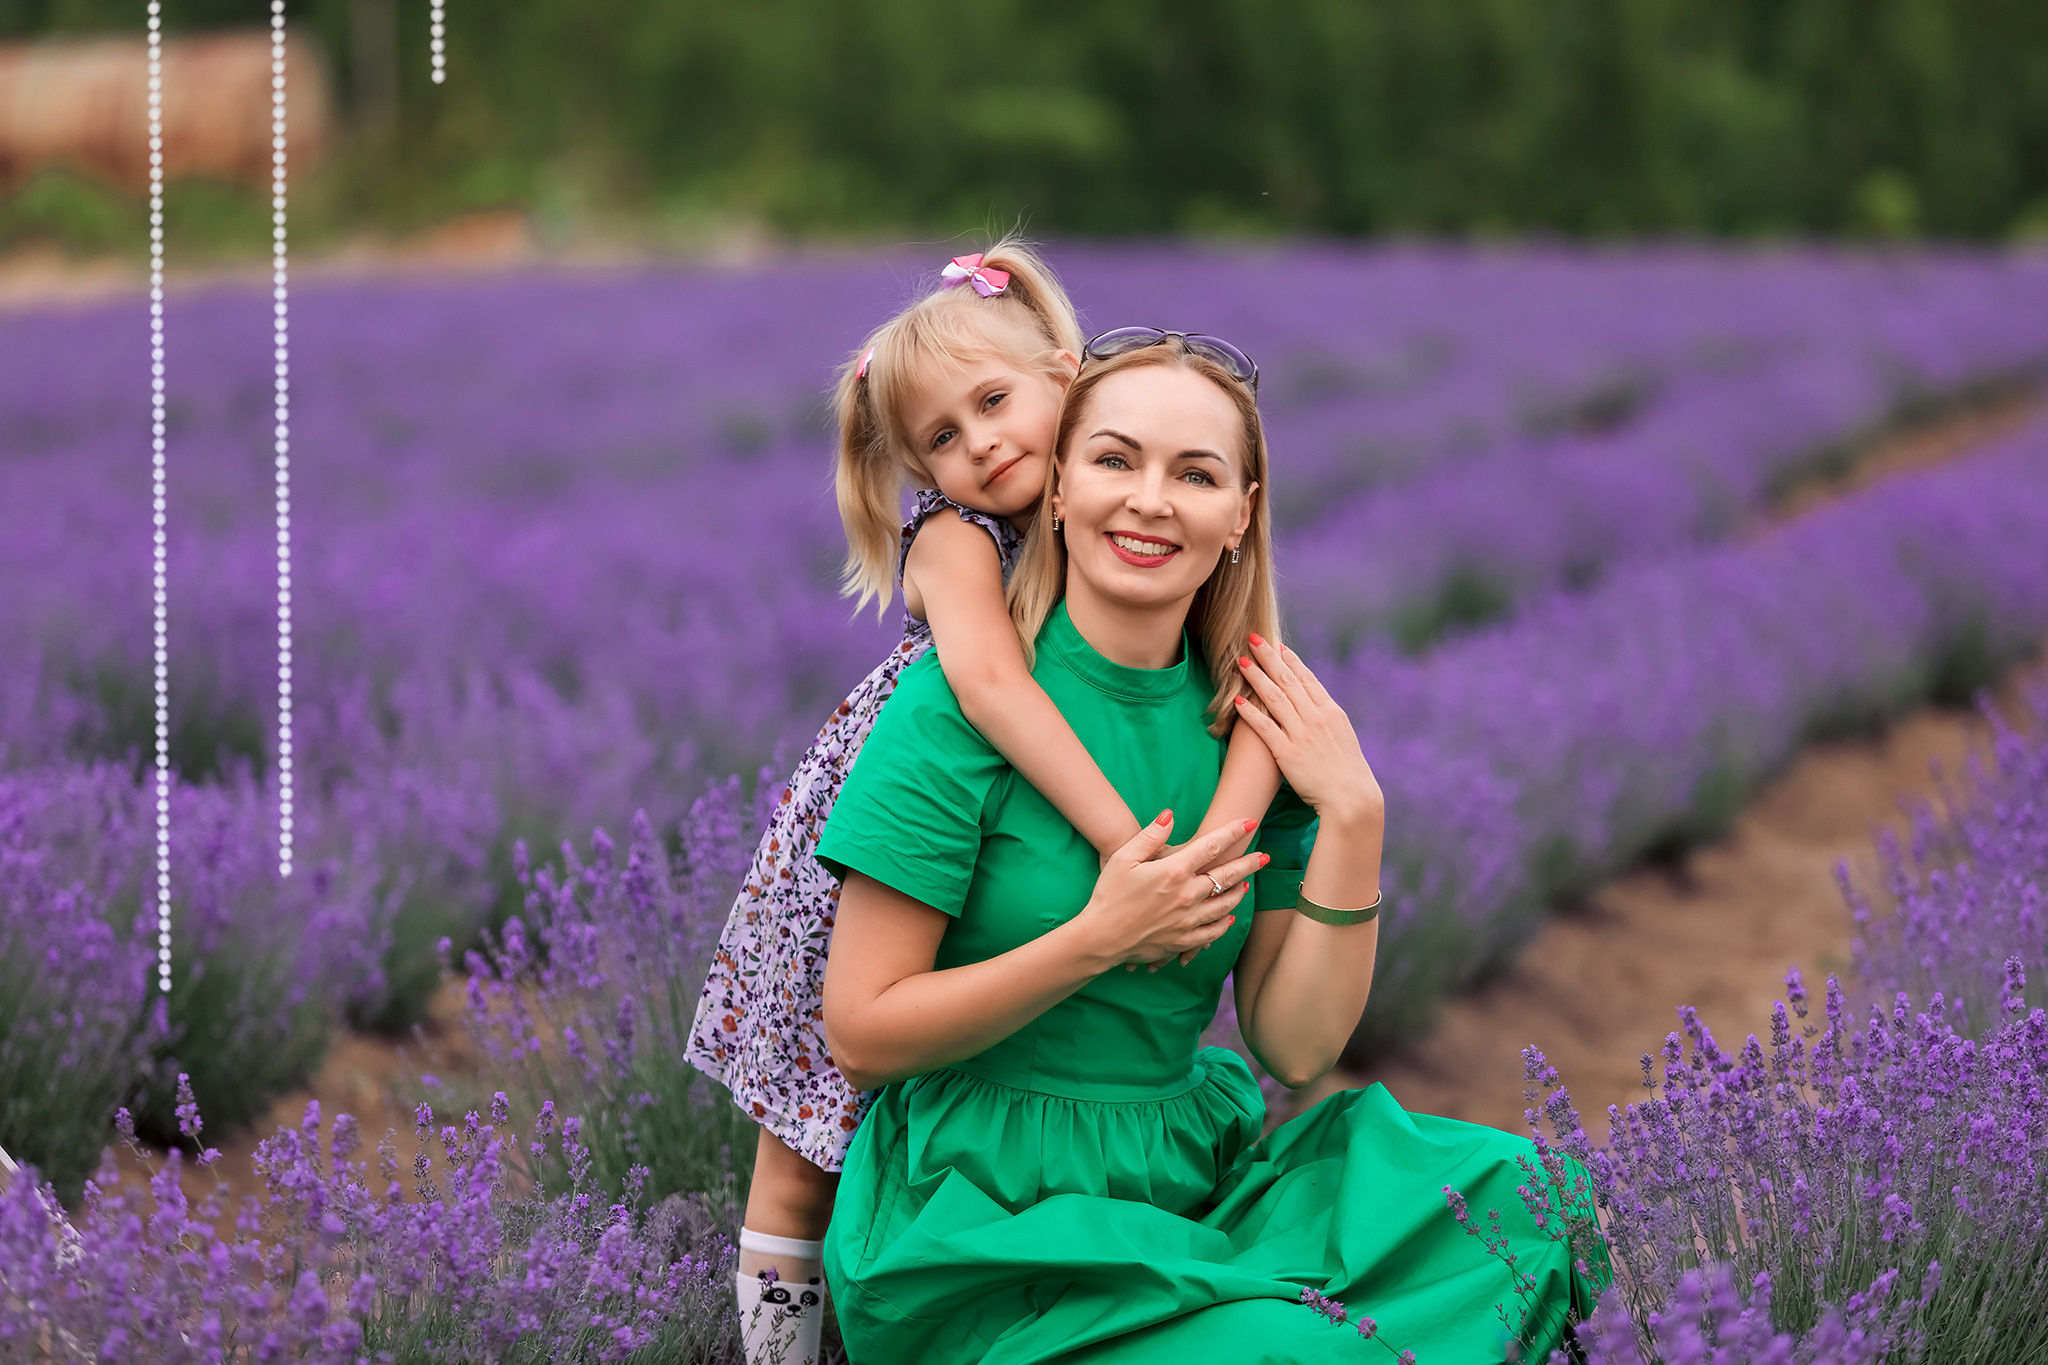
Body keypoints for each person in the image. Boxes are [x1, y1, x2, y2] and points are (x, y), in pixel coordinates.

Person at [816, 331, 1601, 1363]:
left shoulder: (1248, 729)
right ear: (1054, 490)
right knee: (1299, 1352)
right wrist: (1095, 938)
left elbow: (1294, 1045)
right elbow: (862, 1032)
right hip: (983, 1225)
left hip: (1189, 1188)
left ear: (1239, 514)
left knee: (1533, 1199)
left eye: (1194, 474)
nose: (1149, 501)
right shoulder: (959, 707)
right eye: (1114, 460)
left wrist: (1354, 817)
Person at [685, 246, 1281, 1365]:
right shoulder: (956, 539)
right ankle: (774, 1355)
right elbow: (992, 686)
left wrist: (1224, 842)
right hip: (882, 834)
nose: (982, 446)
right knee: (805, 1145)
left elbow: (1247, 681)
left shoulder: (1113, 507)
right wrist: (1123, 844)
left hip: (1017, 795)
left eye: (996, 402)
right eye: (941, 441)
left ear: (1066, 375)